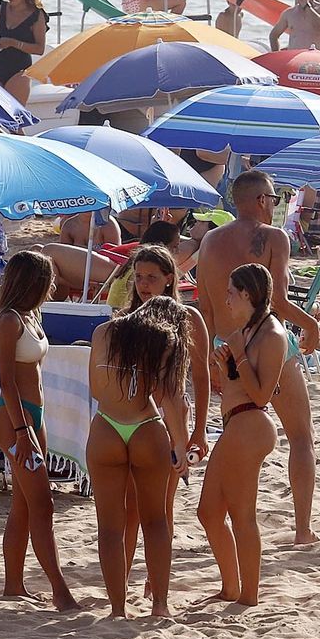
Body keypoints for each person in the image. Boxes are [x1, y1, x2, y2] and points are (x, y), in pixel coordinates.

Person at [196, 171, 320, 544]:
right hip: (266, 340)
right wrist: (313, 327)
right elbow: (278, 302)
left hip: (225, 345)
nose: (276, 206)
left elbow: (206, 307)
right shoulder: (274, 238)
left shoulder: (209, 240)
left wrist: (211, 355)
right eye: (275, 200)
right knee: (301, 436)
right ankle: (303, 529)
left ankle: (232, 525)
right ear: (260, 201)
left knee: (238, 443)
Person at [112, 244, 211, 579]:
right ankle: (122, 582)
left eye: (151, 277)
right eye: (138, 276)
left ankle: (156, 586)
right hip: (132, 418)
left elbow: (201, 376)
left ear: (170, 279)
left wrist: (198, 430)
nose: (143, 284)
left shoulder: (188, 318)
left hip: (170, 421)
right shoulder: (125, 320)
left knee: (161, 510)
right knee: (129, 511)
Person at [87, 298, 189, 618]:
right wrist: (181, 446)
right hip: (146, 426)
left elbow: (95, 390)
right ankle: (160, 604)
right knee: (156, 521)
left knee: (110, 527)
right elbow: (170, 398)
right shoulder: (164, 340)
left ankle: (118, 608)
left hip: (106, 427)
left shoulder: (103, 332)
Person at [0, 251, 77, 609]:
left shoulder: (28, 316)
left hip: (30, 417)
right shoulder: (10, 321)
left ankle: (14, 586)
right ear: (34, 282)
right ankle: (60, 591)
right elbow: (6, 381)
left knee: (24, 505)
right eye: (48, 279)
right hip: (14, 419)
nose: (52, 285)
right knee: (43, 504)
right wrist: (23, 431)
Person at [199, 263, 286, 605]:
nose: (227, 300)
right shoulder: (249, 331)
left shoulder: (272, 334)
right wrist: (225, 367)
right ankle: (232, 587)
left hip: (251, 425)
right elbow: (239, 387)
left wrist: (236, 355)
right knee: (208, 512)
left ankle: (248, 594)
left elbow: (264, 394)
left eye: (232, 293)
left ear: (248, 295)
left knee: (241, 515)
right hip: (237, 422)